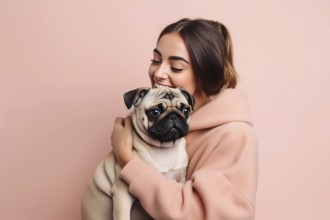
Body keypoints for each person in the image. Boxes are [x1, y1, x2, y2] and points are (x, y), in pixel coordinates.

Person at [81, 18, 258, 220]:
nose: (158, 73)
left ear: (206, 75)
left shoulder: (234, 136)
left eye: (175, 67)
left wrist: (126, 159)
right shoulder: (151, 116)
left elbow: (199, 213)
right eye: (156, 61)